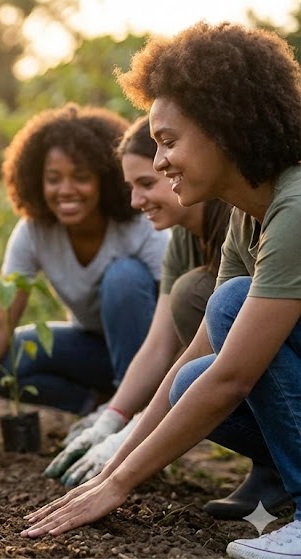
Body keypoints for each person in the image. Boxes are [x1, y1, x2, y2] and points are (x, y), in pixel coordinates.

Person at [23, 23, 301, 559]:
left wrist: (116, 486)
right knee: (191, 376)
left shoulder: (294, 205)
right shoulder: (252, 216)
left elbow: (236, 376)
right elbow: (202, 351)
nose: (159, 162)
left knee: (227, 304)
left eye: (168, 142)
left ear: (225, 129)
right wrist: (119, 448)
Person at [44, 118, 246, 499]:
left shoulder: (235, 226)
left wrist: (130, 446)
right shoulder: (182, 241)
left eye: (147, 184)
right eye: (131, 187)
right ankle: (270, 471)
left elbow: (203, 357)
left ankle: (275, 467)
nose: (136, 202)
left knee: (193, 299)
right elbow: (158, 345)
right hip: (236, 377)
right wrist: (112, 421)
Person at [0, 104, 169, 416]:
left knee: (124, 276)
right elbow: (0, 324)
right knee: (4, 362)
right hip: (89, 350)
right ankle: (95, 410)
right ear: (37, 181)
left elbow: (175, 315)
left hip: (149, 355)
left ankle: (131, 412)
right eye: (53, 178)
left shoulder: (139, 225)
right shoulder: (34, 231)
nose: (66, 190)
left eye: (80, 177)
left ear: (104, 179)